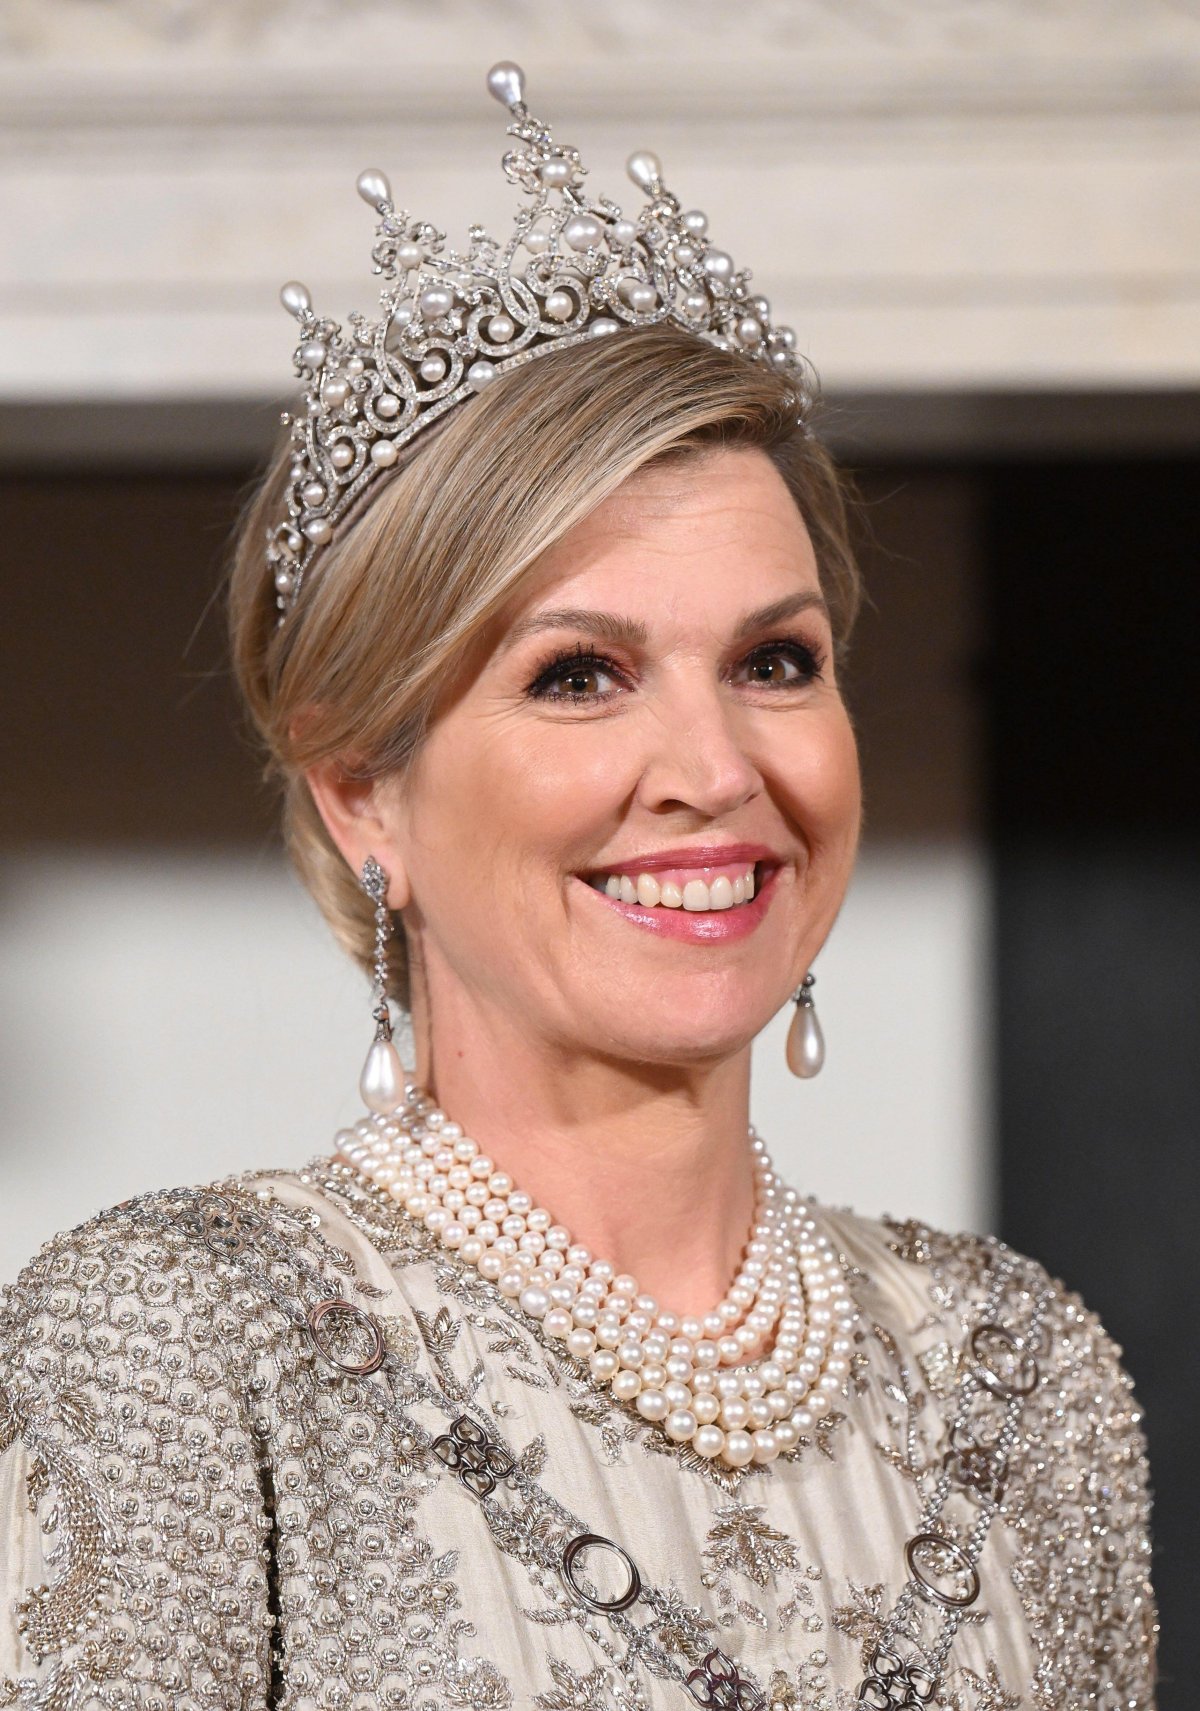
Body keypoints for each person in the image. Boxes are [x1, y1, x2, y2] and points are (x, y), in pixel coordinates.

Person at [0, 61, 1156, 1711]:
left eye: (774, 659)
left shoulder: (1019, 1373)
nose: (715, 766)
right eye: (576, 678)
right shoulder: (182, 1343)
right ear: (357, 790)